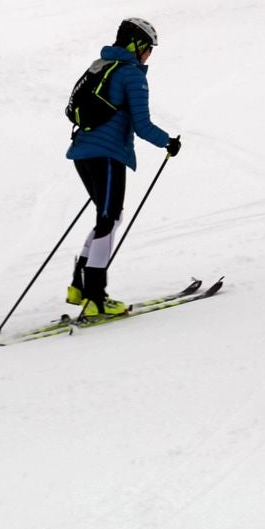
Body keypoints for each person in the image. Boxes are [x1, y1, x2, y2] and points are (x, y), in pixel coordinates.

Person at [65, 17, 180, 316]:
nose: (149, 55)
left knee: (106, 218)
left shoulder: (101, 66)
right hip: (107, 154)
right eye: (148, 48)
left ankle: (79, 286)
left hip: (83, 152)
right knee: (110, 218)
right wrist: (168, 142)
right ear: (136, 44)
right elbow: (142, 125)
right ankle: (96, 299)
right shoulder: (132, 75)